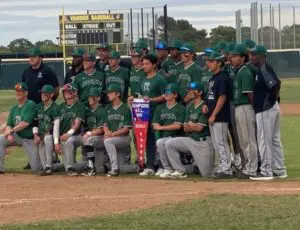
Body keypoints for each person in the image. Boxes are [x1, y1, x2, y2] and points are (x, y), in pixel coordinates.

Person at [250, 45, 287, 180]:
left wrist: (271, 100)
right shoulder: (263, 68)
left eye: (254, 55)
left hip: (266, 109)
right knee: (274, 139)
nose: (251, 57)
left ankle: (266, 171)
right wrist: (274, 100)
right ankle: (279, 169)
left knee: (265, 140)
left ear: (261, 56)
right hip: (271, 108)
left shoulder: (264, 68)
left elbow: (277, 84)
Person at [164, 82, 214, 178]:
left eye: (193, 90)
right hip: (191, 140)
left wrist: (191, 125)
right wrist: (192, 126)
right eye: (189, 90)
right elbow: (185, 128)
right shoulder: (189, 106)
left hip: (203, 143)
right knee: (170, 143)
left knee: (206, 174)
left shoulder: (204, 106)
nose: (190, 92)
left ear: (200, 92)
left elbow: (200, 128)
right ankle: (180, 170)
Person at [128, 54, 167, 176]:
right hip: (144, 113)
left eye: (147, 64)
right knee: (147, 139)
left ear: (154, 65)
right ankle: (150, 165)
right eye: (143, 63)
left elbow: (165, 96)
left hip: (157, 112)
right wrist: (132, 99)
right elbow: (139, 96)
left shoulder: (160, 79)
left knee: (157, 138)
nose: (144, 66)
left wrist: (151, 99)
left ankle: (161, 165)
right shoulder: (142, 79)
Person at [231, 44, 258, 179]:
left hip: (245, 107)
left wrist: (254, 109)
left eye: (236, 56)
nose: (232, 59)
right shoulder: (239, 71)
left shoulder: (245, 72)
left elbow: (250, 94)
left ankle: (251, 169)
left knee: (248, 140)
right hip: (238, 107)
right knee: (242, 140)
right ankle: (247, 167)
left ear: (242, 58)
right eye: (232, 56)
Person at [0, 83, 40, 173]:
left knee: (36, 168)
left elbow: (25, 123)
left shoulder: (30, 104)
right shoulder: (14, 108)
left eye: (20, 91)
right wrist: (9, 133)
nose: (17, 93)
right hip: (17, 136)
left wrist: (11, 131)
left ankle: (56, 164)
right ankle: (0, 168)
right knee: (1, 139)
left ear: (26, 93)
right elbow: (9, 124)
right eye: (17, 91)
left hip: (30, 139)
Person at [205, 51, 233, 179]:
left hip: (220, 116)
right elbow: (211, 96)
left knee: (221, 142)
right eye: (207, 61)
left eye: (211, 61)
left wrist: (214, 115)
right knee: (217, 143)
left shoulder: (223, 77)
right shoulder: (214, 78)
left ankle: (227, 169)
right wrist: (206, 105)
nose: (208, 64)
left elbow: (222, 97)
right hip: (213, 115)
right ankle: (222, 166)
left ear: (219, 63)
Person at [152, 83, 185, 177]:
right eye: (165, 92)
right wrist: (158, 127)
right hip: (163, 137)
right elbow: (155, 125)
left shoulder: (180, 108)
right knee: (160, 142)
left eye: (169, 92)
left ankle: (174, 169)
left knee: (165, 142)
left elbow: (177, 126)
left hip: (176, 136)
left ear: (175, 94)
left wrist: (161, 127)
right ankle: (167, 168)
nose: (166, 94)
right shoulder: (160, 108)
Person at [53, 83, 86, 176]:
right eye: (65, 91)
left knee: (69, 140)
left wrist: (68, 134)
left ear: (74, 92)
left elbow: (77, 124)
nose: (66, 93)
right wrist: (56, 143)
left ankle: (72, 167)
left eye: (69, 91)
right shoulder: (60, 107)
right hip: (64, 138)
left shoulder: (80, 106)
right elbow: (56, 126)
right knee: (66, 167)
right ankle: (86, 164)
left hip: (78, 136)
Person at [102, 83, 132, 177]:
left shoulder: (125, 108)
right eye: (108, 93)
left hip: (124, 138)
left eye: (110, 93)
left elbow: (126, 129)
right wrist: (107, 132)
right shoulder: (107, 108)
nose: (108, 95)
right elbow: (105, 125)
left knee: (107, 141)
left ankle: (114, 169)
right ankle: (137, 167)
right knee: (123, 168)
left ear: (117, 94)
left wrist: (113, 134)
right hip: (113, 138)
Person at [33, 85, 60, 176]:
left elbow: (56, 126)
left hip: (52, 137)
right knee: (41, 167)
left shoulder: (55, 108)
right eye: (42, 93)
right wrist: (35, 134)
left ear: (51, 95)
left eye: (46, 93)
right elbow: (35, 122)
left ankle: (49, 165)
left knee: (47, 137)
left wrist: (56, 142)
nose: (43, 94)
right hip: (41, 138)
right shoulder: (38, 107)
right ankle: (54, 164)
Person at [81, 88, 105, 176]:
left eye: (92, 97)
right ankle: (90, 165)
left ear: (98, 98)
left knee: (88, 139)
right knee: (100, 170)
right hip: (93, 140)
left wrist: (88, 133)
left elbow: (101, 130)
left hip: (102, 138)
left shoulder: (102, 110)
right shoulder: (88, 111)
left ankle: (91, 168)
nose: (90, 99)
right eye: (89, 97)